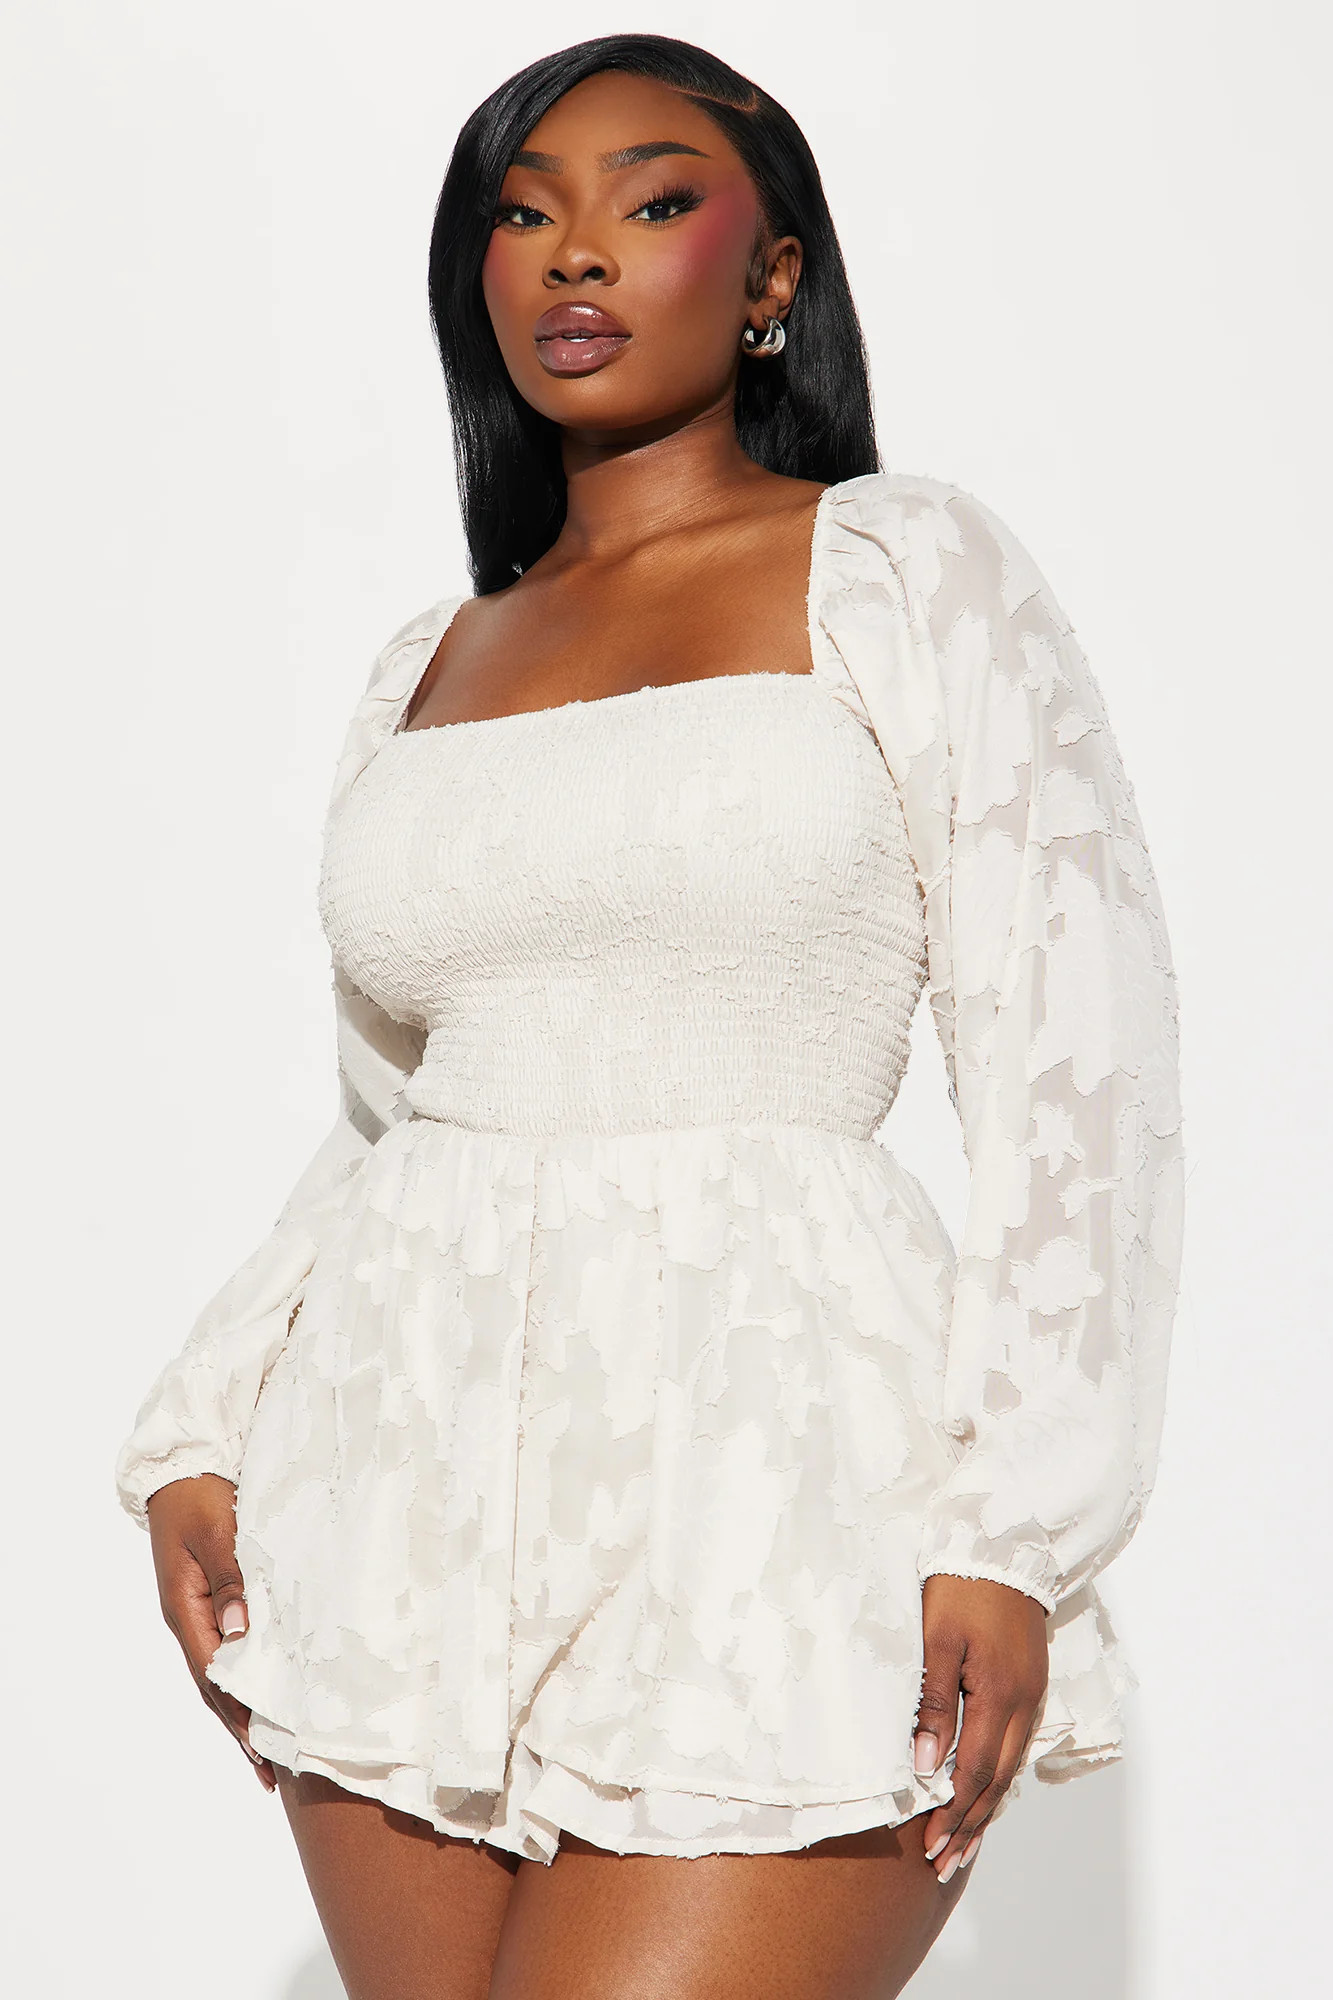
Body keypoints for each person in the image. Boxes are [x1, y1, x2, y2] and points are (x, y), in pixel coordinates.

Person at [114, 33, 1184, 2000]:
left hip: (781, 1459)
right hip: (396, 1471)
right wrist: (205, 1415)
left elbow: (1078, 1067)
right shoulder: (427, 658)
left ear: (772, 273)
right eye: (522, 214)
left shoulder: (904, 573)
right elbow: (388, 1118)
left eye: (651, 199)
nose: (575, 252)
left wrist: (1017, 1527)